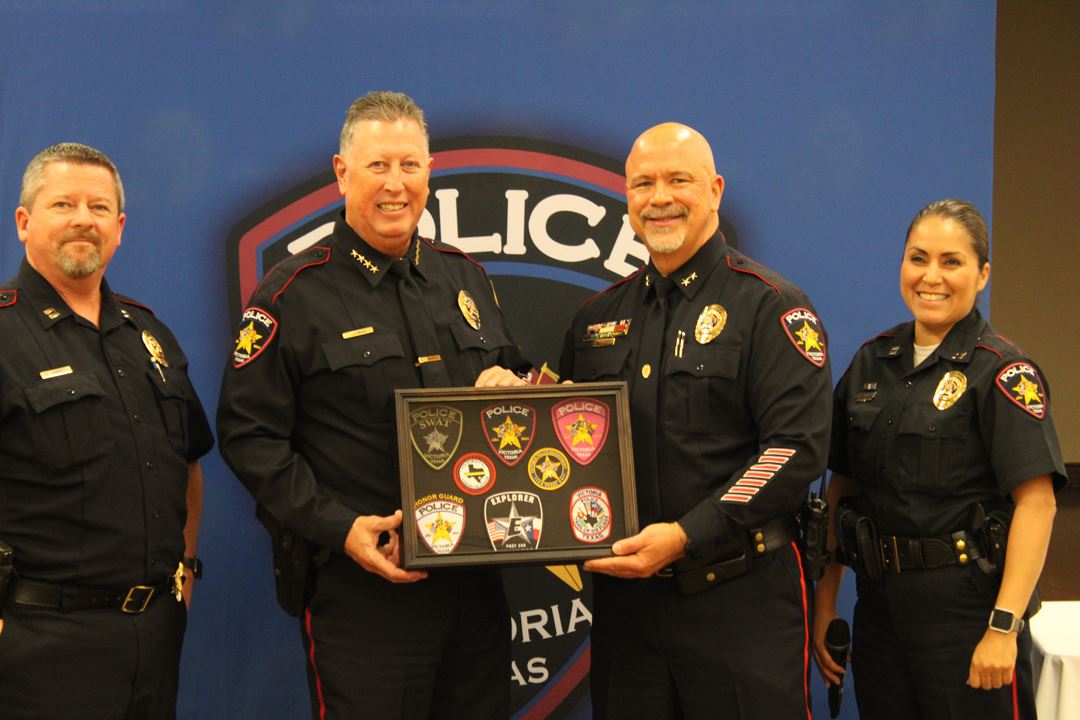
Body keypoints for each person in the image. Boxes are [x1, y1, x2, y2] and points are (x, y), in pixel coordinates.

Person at [216, 91, 530, 720]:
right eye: (377, 166)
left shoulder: (463, 276)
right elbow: (249, 437)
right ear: (341, 173)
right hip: (367, 589)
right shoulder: (291, 294)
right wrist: (339, 529)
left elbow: (518, 379)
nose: (396, 185)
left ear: (430, 171)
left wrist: (517, 392)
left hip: (477, 584)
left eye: (410, 166)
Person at [559, 122, 832, 719]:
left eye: (678, 180)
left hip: (740, 603)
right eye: (643, 183)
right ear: (626, 197)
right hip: (629, 616)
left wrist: (686, 536)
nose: (660, 197)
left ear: (715, 189)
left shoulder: (770, 306)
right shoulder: (596, 319)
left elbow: (794, 451)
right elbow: (563, 441)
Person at [812, 199, 1065, 720]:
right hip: (879, 609)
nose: (932, 276)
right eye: (918, 258)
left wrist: (1003, 626)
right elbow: (842, 488)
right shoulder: (871, 362)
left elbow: (1037, 506)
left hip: (966, 610)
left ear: (983, 274)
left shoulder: (1003, 372)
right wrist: (825, 602)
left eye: (952, 261)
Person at [0, 143, 213, 719]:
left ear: (118, 228)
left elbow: (188, 463)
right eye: (63, 203)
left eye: (98, 208)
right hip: (38, 644)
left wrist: (185, 573)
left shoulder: (151, 337)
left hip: (154, 635)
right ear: (24, 222)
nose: (82, 220)